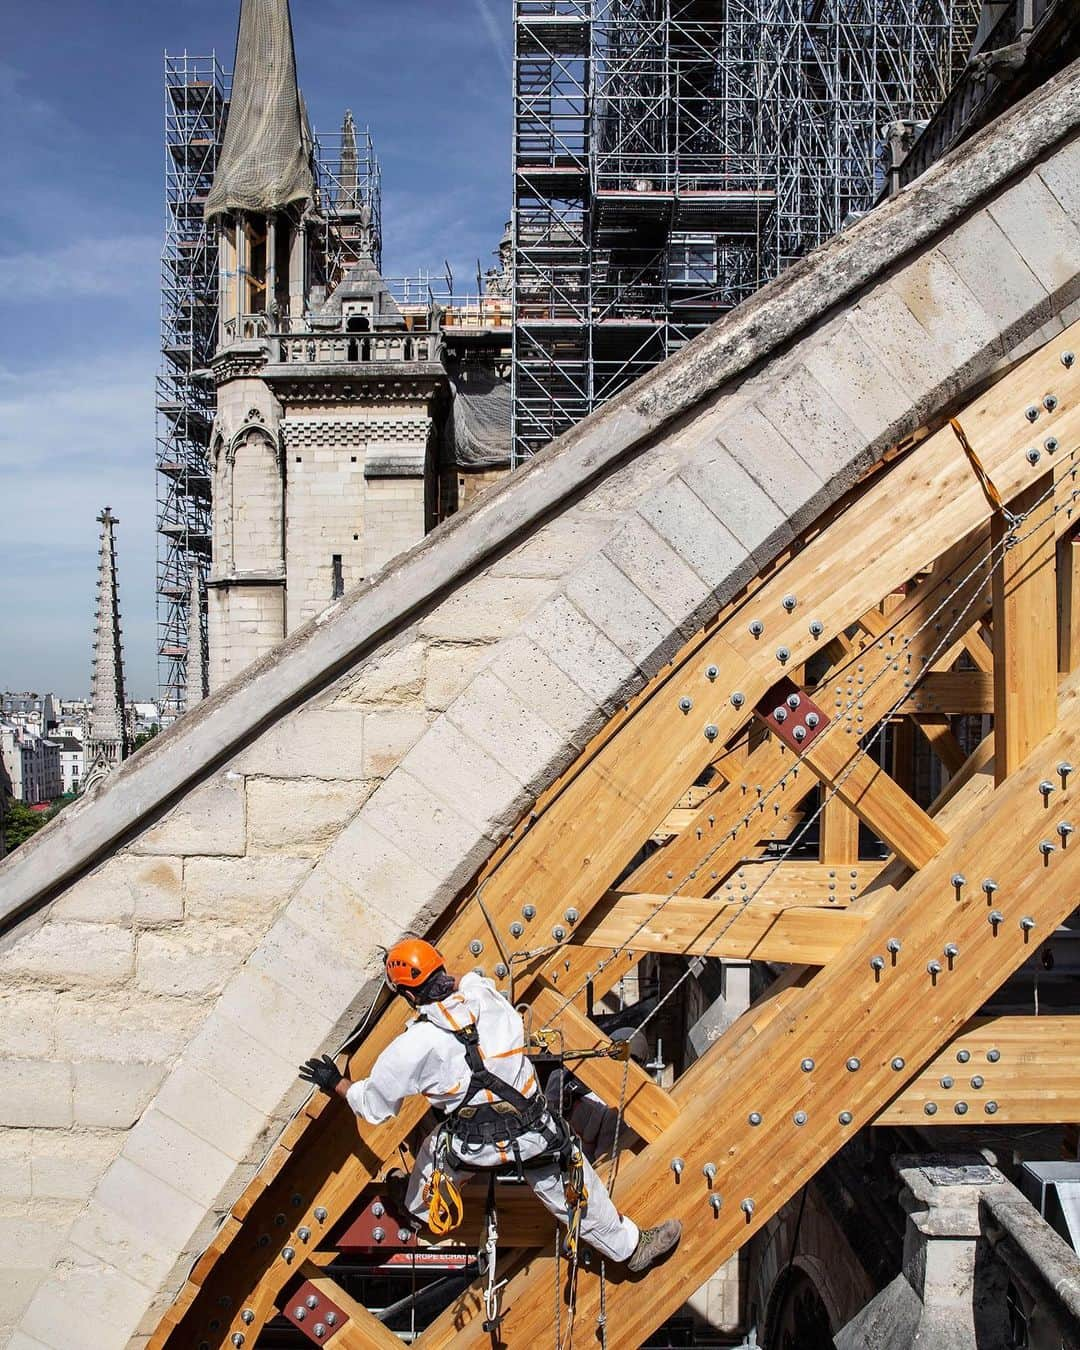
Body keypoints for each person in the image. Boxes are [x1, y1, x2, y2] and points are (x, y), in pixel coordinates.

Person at [299, 937, 681, 1274]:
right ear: (443, 971)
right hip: (535, 1139)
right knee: (575, 1189)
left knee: (435, 1151)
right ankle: (631, 1249)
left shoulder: (410, 1048)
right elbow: (470, 980)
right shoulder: (487, 1000)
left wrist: (338, 1084)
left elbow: (374, 1107)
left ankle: (416, 1215)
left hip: (473, 1150)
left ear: (409, 997)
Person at [545, 1026, 647, 1162]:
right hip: (577, 1171)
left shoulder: (561, 1076)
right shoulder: (613, 1109)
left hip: (544, 1158)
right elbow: (603, 1159)